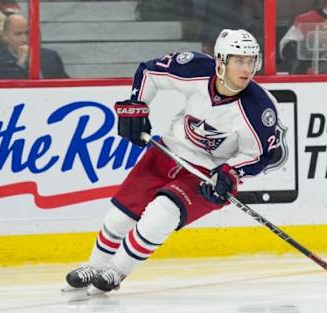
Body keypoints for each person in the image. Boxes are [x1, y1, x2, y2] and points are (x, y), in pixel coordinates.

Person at [62, 29, 279, 295]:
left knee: (159, 216)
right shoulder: (197, 68)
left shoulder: (259, 108)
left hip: (206, 175)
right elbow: (149, 72)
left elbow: (263, 155)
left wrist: (231, 174)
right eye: (238, 60)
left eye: (251, 61)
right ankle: (94, 266)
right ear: (220, 61)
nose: (247, 68)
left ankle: (115, 272)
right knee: (119, 217)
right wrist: (136, 105)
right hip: (168, 151)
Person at [0, 14, 69, 79]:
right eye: (18, 34)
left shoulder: (50, 56)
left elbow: (66, 86)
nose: (24, 39)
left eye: (27, 33)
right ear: (6, 36)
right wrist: (21, 62)